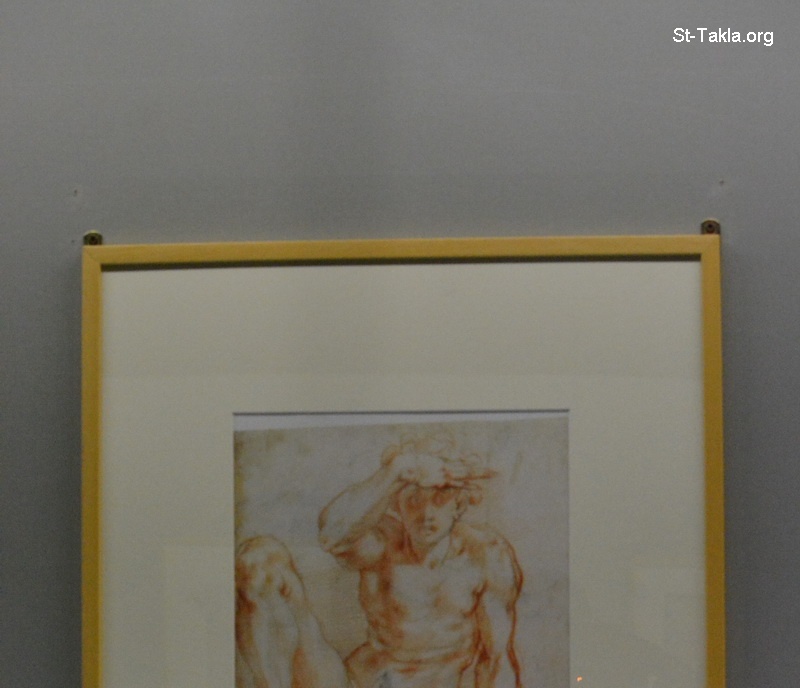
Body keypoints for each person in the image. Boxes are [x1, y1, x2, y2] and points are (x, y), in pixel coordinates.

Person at [318, 435, 524, 688]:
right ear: (397, 504)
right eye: (414, 499)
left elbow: (497, 659)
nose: (427, 514)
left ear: (459, 505)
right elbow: (331, 537)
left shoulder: (485, 554)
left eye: (440, 498)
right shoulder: (381, 544)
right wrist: (397, 470)